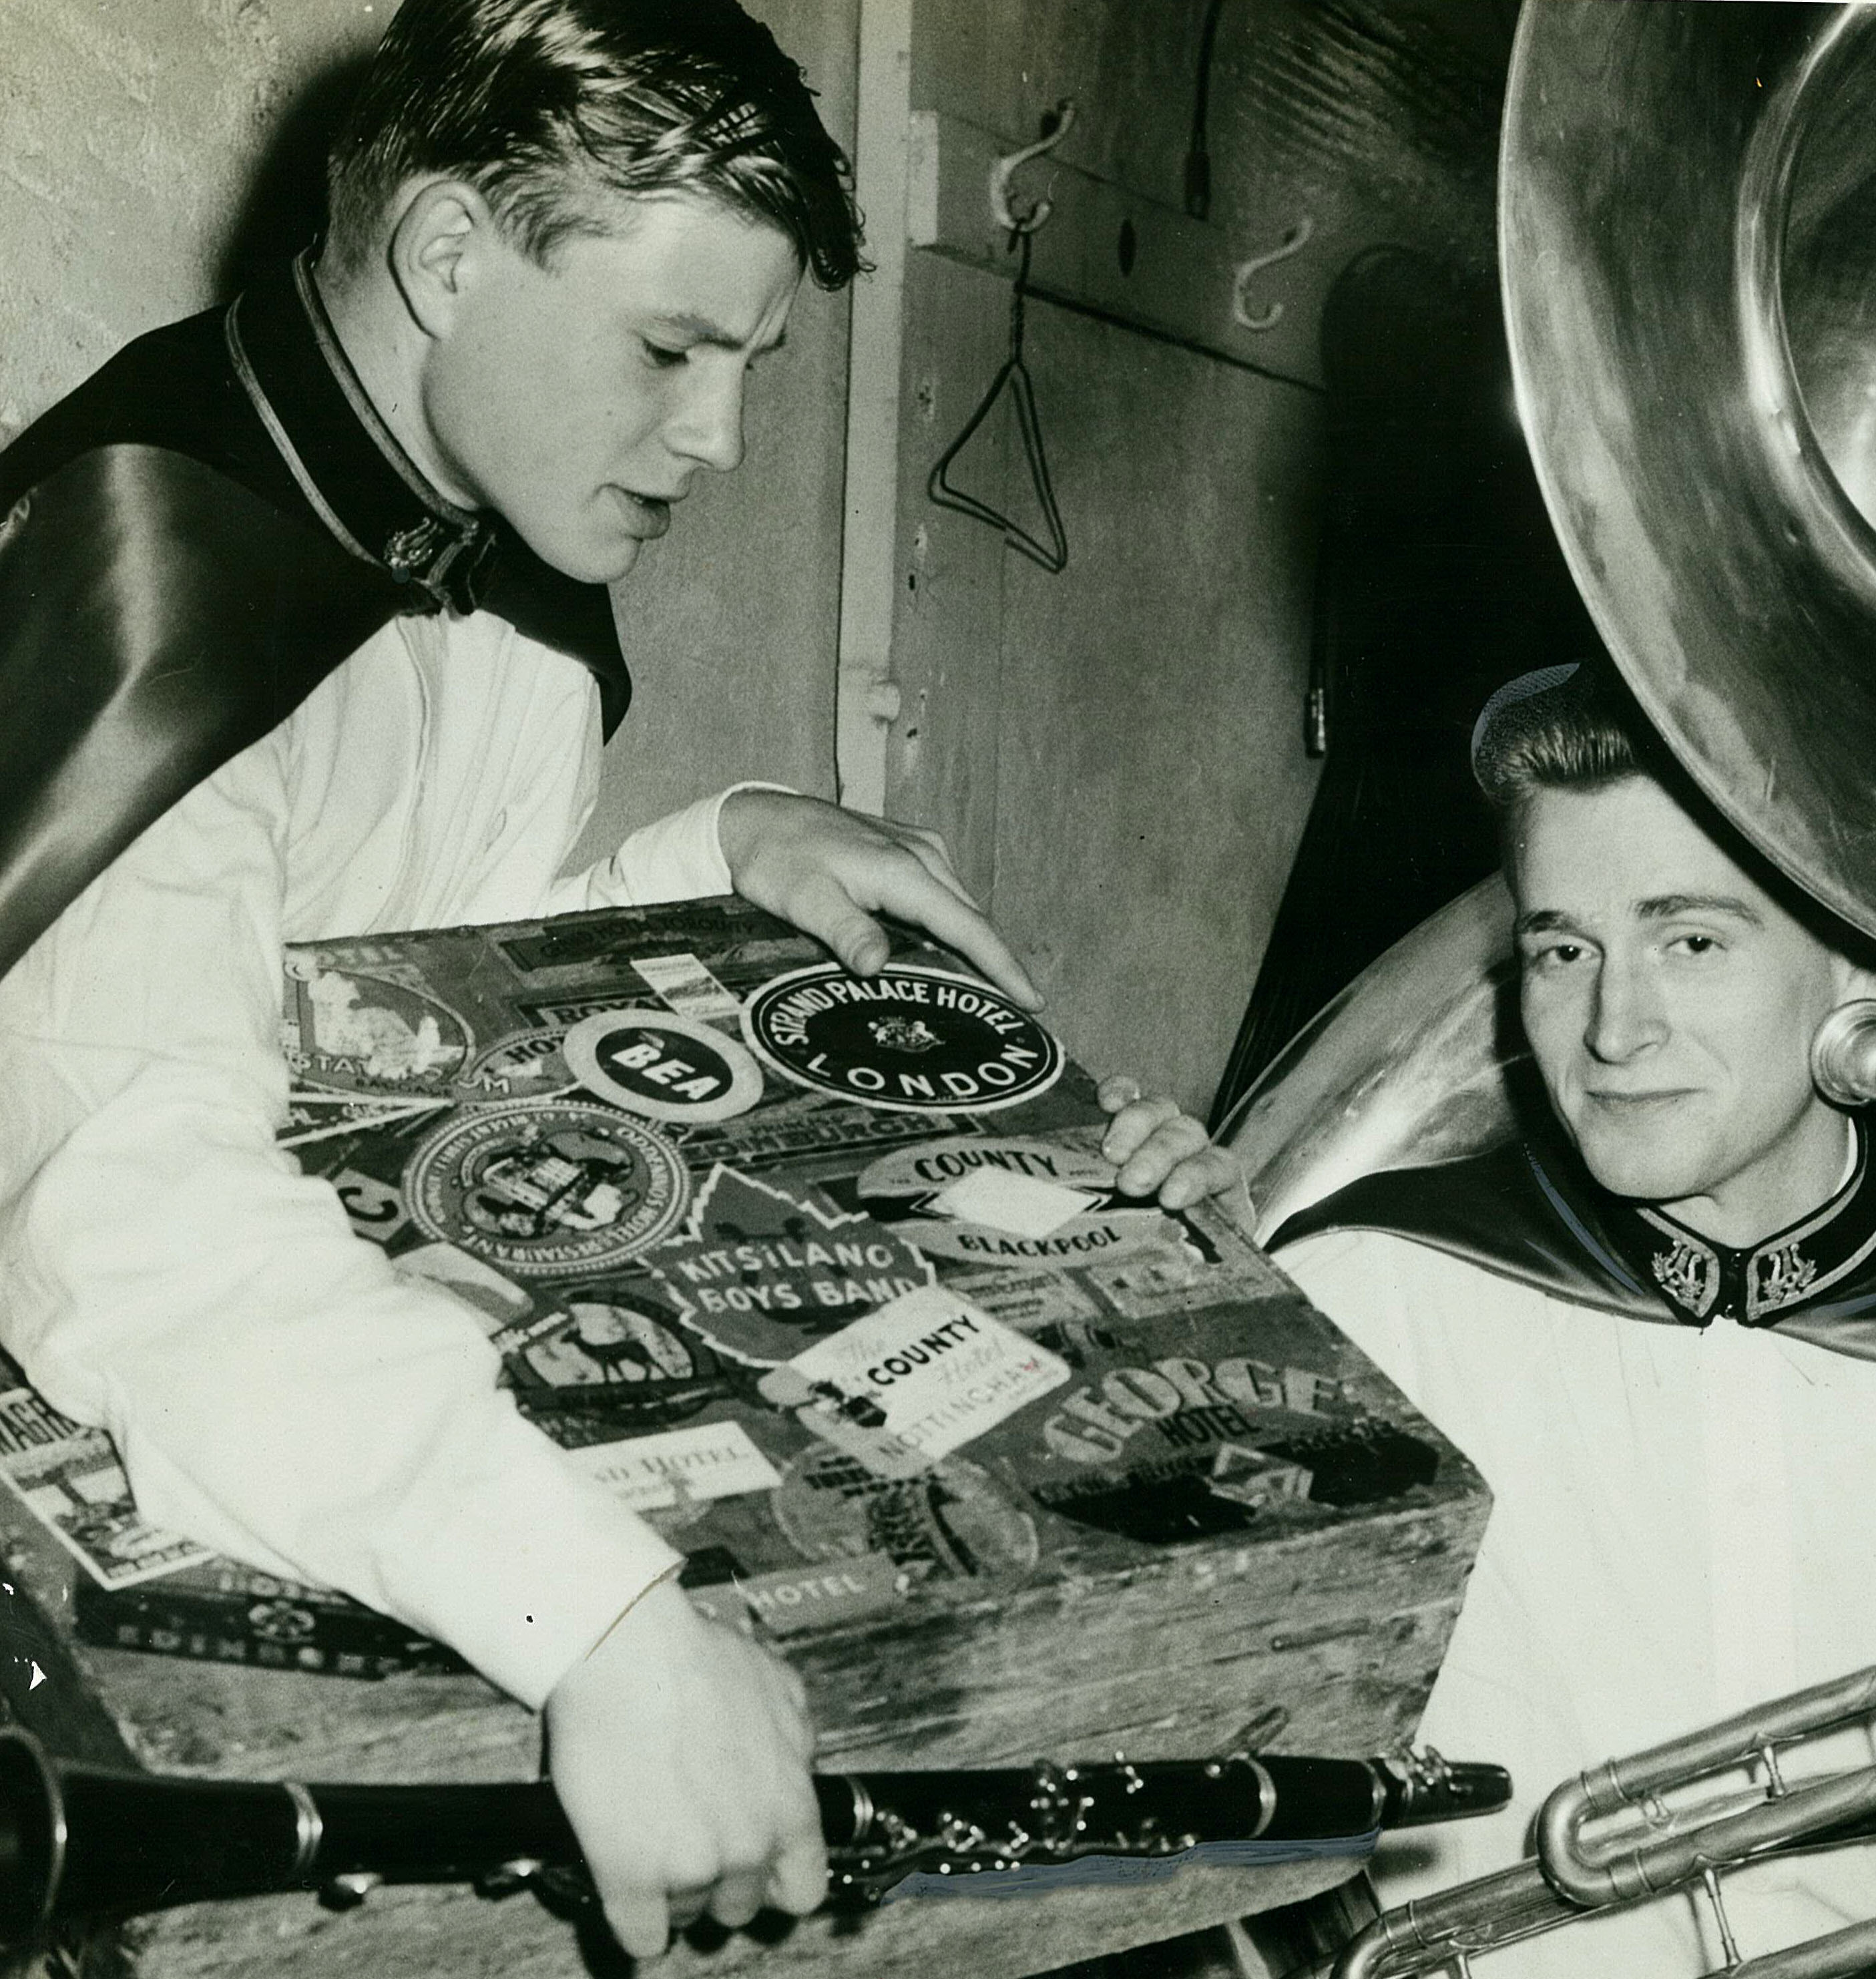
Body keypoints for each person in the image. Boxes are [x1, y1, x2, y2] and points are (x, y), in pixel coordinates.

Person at [0, 0, 1226, 1960]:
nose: (719, 438)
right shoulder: (148, 576)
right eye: (670, 350)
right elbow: (130, 1212)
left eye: (750, 365)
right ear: (447, 255)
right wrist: (602, 1626)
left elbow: (387, 1010)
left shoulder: (477, 550)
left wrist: (717, 847)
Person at [1264, 664, 1876, 1977]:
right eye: (1564, 951)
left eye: (1691, 942)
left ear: (1857, 959)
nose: (1614, 1030)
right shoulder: (1366, 1298)